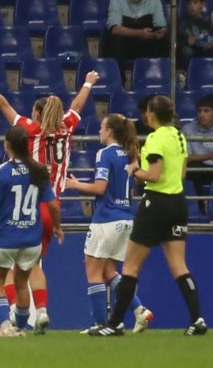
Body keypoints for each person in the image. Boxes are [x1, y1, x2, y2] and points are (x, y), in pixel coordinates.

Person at [0, 67, 102, 332]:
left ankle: (7, 319)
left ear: (38, 114)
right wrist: (88, 83)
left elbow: (2, 103)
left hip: (29, 203)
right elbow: (76, 105)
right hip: (52, 205)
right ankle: (41, 311)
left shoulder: (31, 130)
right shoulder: (67, 127)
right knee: (34, 263)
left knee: (7, 266)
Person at [93, 95, 205, 335]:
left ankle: (113, 325)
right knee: (179, 266)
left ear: (151, 115)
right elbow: (182, 173)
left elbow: (153, 175)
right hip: (178, 202)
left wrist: (135, 171)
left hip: (156, 204)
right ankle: (197, 320)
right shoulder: (178, 136)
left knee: (131, 267)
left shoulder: (155, 139)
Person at [0, 126, 59, 336]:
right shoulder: (39, 170)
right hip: (31, 239)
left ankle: (6, 326)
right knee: (22, 283)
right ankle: (21, 327)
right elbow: (52, 205)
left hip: (4, 238)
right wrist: (58, 228)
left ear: (7, 145)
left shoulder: (3, 171)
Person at [64, 113, 152, 333]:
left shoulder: (105, 153)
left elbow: (100, 188)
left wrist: (74, 185)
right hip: (126, 219)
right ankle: (139, 310)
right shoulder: (130, 154)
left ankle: (102, 324)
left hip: (106, 220)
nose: (99, 132)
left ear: (110, 131)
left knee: (93, 272)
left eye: (102, 128)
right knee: (109, 272)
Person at [101, 0, 168, 79]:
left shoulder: (155, 1)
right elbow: (115, 29)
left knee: (165, 39)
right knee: (114, 39)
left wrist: (161, 32)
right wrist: (139, 33)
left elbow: (162, 26)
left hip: (146, 44)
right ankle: (118, 80)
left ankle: (160, 78)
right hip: (125, 45)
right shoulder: (117, 0)